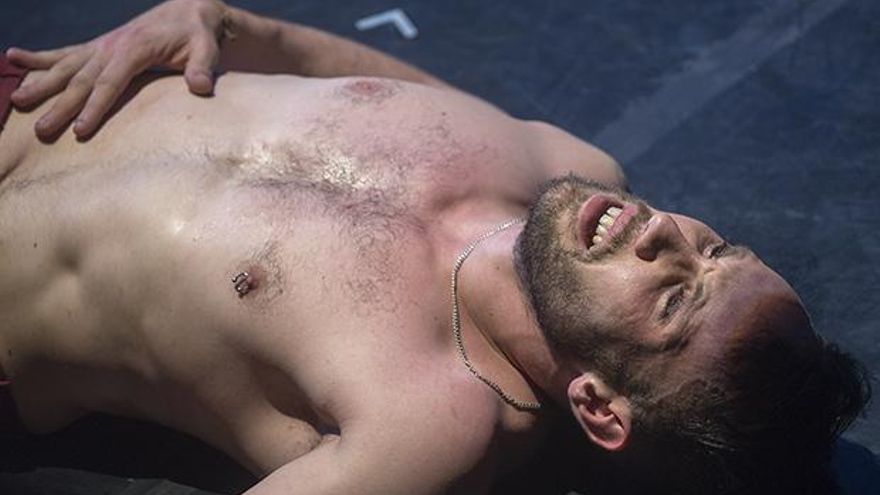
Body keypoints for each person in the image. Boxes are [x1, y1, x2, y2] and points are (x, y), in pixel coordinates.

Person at [0, 1, 870, 493]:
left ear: (602, 407)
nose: (666, 234)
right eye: (718, 249)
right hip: (29, 90)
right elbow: (356, 82)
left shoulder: (434, 426)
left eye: (675, 297)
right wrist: (217, 21)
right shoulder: (570, 166)